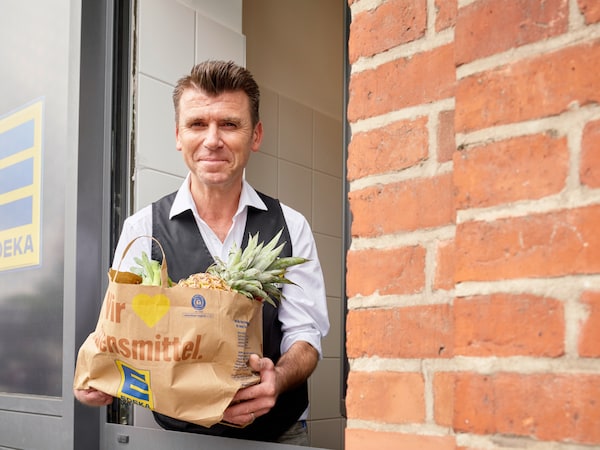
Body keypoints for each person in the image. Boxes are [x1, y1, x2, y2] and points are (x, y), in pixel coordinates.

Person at [74, 60, 330, 445]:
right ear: (179, 136)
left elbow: (305, 335)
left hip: (277, 434)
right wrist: (100, 374)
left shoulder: (291, 226)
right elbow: (120, 337)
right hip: (179, 438)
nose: (213, 139)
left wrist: (278, 377)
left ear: (255, 135)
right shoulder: (142, 229)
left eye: (229, 124)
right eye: (197, 124)